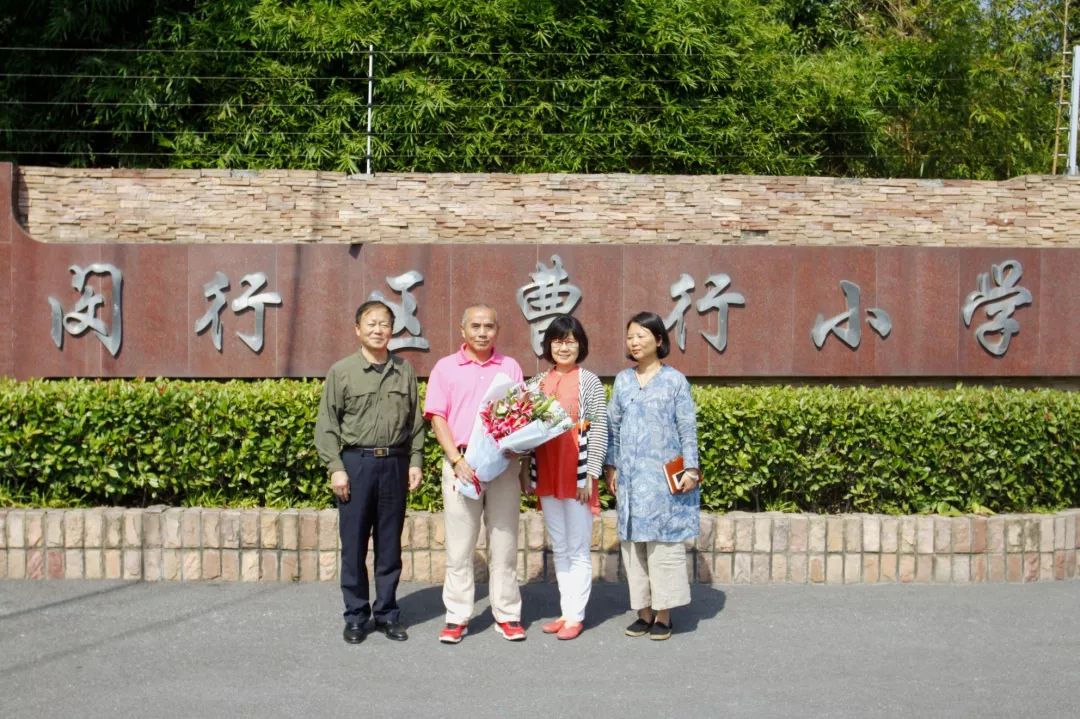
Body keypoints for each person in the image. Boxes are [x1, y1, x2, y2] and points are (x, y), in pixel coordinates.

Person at [314, 300, 425, 644]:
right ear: (357, 329)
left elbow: (415, 422)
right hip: (356, 465)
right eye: (371, 323)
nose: (378, 330)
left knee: (390, 546)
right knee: (354, 546)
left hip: (394, 464)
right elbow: (327, 426)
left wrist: (416, 461)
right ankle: (357, 616)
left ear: (393, 330)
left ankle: (388, 614)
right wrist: (336, 468)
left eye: (385, 324)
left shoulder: (404, 370)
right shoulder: (342, 372)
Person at [424, 304, 527, 643]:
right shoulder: (445, 368)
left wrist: (516, 448)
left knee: (504, 544)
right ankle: (457, 616)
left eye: (489, 326)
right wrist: (455, 459)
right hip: (463, 464)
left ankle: (507, 614)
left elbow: (520, 414)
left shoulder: (510, 366)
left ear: (498, 330)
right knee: (459, 547)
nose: (483, 332)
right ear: (463, 329)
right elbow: (438, 416)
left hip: (502, 464)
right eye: (476, 326)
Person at [603, 311, 700, 641]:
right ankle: (643, 613)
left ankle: (663, 615)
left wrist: (691, 467)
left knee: (663, 546)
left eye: (642, 335)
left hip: (662, 481)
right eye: (630, 336)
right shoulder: (623, 380)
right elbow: (612, 427)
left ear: (659, 340)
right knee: (634, 548)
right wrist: (611, 467)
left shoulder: (675, 381)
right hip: (630, 481)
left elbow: (687, 427)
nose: (635, 341)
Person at [520, 314, 607, 640]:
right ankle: (566, 611)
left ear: (580, 344)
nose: (564, 346)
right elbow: (525, 432)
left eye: (570, 340)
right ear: (548, 345)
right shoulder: (536, 384)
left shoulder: (590, 382)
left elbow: (599, 428)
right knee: (560, 546)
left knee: (578, 547)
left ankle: (576, 615)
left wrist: (590, 476)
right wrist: (524, 471)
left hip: (577, 476)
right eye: (558, 340)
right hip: (547, 474)